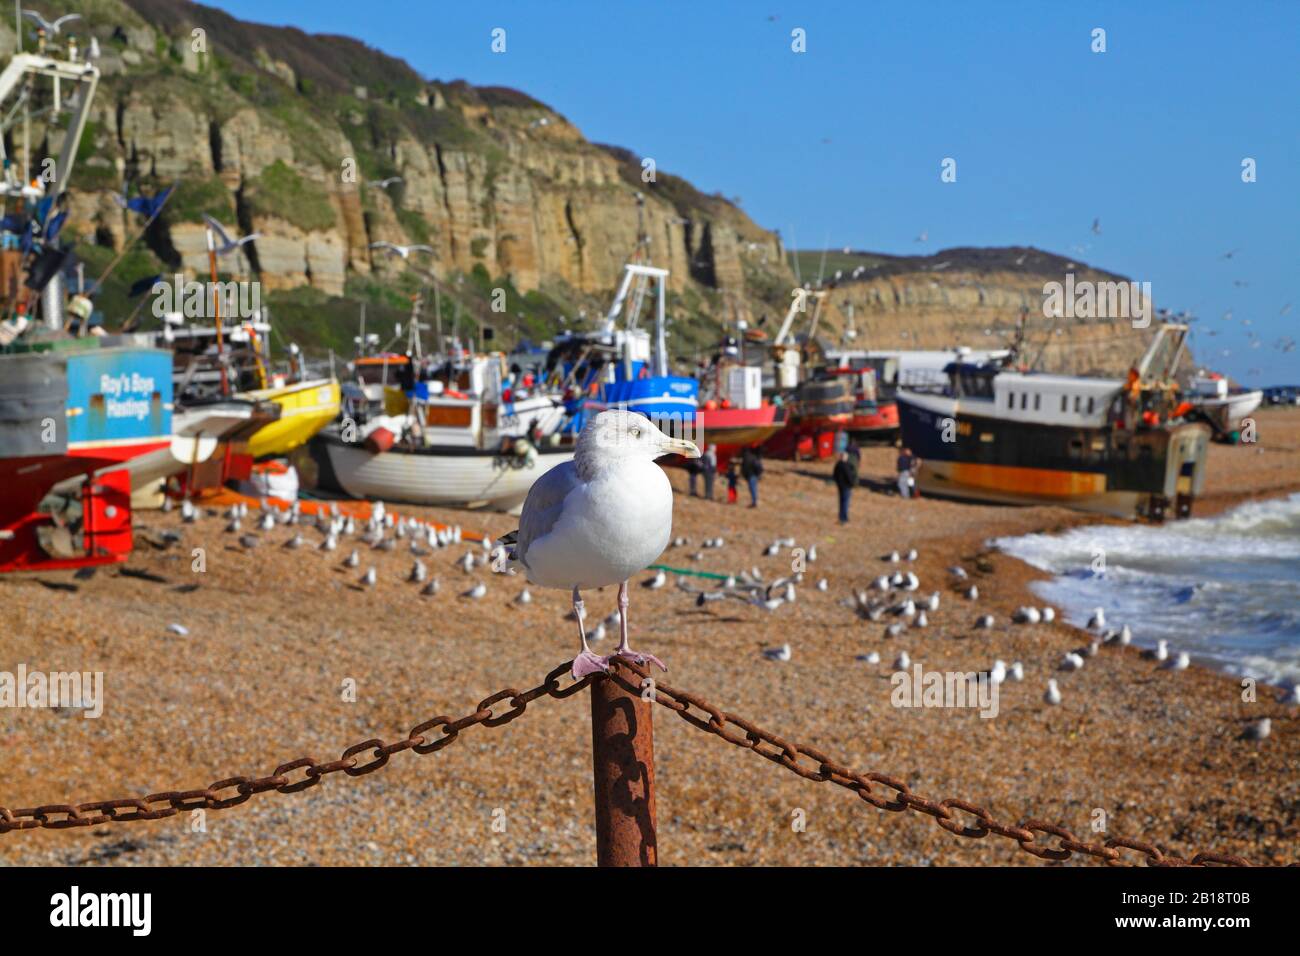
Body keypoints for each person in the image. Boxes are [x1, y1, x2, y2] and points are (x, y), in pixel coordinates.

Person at [833, 451, 858, 523]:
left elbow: (834, 475)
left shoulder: (837, 465)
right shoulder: (846, 466)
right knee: (845, 502)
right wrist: (852, 483)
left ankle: (841, 516)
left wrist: (837, 482)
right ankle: (844, 518)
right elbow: (849, 476)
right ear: (844, 457)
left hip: (840, 486)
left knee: (841, 501)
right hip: (846, 486)